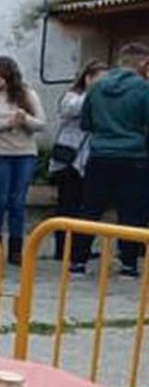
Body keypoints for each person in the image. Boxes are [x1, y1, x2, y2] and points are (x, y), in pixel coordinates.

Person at [77, 43, 149, 277]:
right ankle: (128, 263)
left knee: (90, 209)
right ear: (142, 62)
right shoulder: (143, 89)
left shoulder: (96, 88)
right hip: (133, 156)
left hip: (99, 154)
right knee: (131, 212)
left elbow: (85, 122)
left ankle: (77, 260)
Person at [0, 56, 46, 268]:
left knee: (18, 202)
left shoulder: (27, 94)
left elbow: (41, 123)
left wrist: (25, 119)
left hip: (24, 153)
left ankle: (16, 248)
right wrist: (7, 123)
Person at [48, 60, 107, 263]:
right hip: (70, 158)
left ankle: (81, 248)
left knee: (86, 206)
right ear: (88, 78)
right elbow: (70, 110)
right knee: (68, 205)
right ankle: (62, 249)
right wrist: (94, 93)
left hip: (90, 158)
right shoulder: (73, 97)